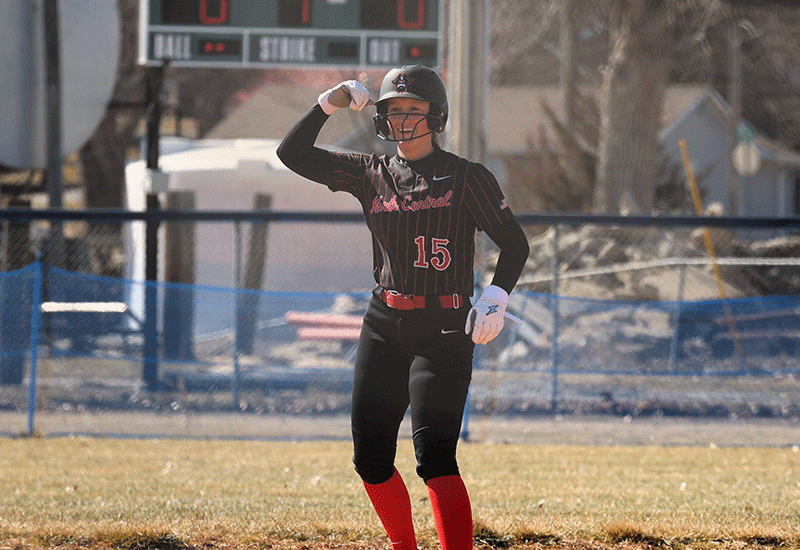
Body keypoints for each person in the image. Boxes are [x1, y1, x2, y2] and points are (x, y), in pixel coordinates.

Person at [277, 65, 529, 550]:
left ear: (437, 117)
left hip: (445, 326)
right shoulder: (369, 173)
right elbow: (291, 154)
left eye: (415, 109)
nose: (404, 118)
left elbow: (514, 244)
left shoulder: (466, 176)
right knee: (369, 460)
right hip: (384, 322)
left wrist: (496, 297)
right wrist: (327, 104)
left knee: (435, 458)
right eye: (394, 109)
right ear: (381, 117)